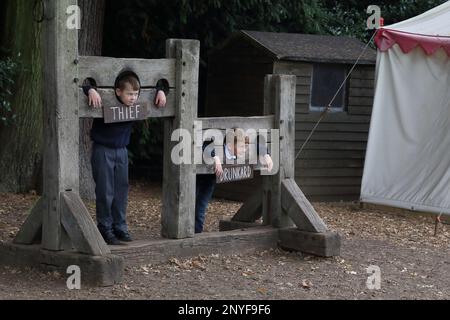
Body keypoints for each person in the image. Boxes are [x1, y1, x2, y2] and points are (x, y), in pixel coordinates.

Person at [83, 71, 168, 245]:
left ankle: (119, 226)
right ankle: (104, 227)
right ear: (117, 92)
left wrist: (161, 91)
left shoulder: (135, 103)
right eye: (129, 94)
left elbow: (161, 83)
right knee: (105, 191)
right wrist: (90, 90)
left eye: (136, 94)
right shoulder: (107, 101)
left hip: (121, 151)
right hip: (103, 150)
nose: (133, 98)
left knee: (121, 191)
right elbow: (83, 81)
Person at [195, 128, 274, 234]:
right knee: (190, 206)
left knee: (200, 208)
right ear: (230, 145)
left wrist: (266, 155)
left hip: (209, 181)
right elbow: (205, 147)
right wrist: (216, 158)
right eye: (241, 147)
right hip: (195, 177)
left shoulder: (243, 150)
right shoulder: (219, 147)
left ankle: (196, 233)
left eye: (245, 147)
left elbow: (256, 144)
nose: (244, 149)